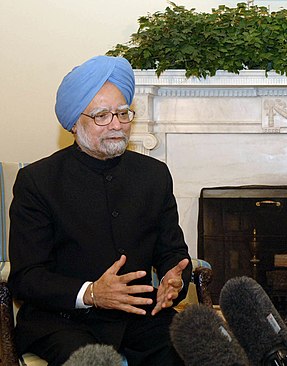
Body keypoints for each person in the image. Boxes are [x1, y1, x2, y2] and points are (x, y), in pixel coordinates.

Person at [8, 55, 192, 366]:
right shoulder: (37, 182)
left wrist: (176, 281)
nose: (117, 125)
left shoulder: (154, 175)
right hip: (61, 321)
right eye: (102, 116)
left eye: (123, 113)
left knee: (188, 350)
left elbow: (172, 252)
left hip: (138, 316)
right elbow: (26, 277)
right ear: (74, 122)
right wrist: (91, 293)